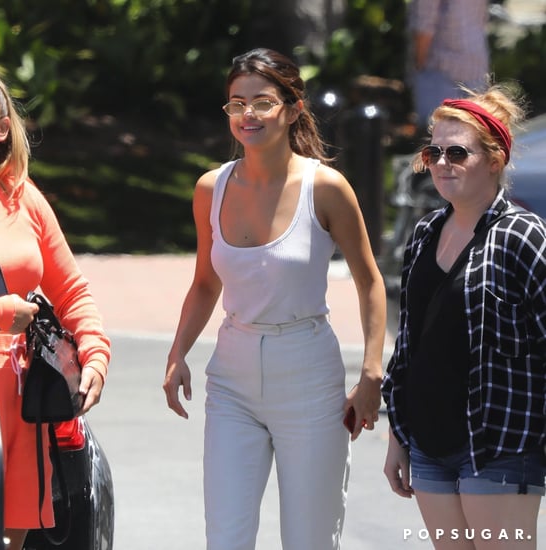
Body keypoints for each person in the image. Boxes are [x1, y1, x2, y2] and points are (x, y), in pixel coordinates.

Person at [163, 48, 387, 550]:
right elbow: (205, 283)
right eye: (236, 103)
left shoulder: (325, 187)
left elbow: (370, 281)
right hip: (232, 376)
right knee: (225, 537)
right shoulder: (210, 188)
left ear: (292, 108)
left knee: (309, 538)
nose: (248, 115)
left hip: (308, 373)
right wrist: (178, 354)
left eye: (262, 102)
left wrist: (372, 371)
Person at [382, 82, 546, 550]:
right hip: (430, 445)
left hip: (499, 444)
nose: (441, 164)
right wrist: (399, 436)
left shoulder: (523, 236)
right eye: (433, 152)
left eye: (458, 153)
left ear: (494, 160)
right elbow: (410, 342)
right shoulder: (425, 231)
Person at [0, 75, 111, 550]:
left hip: (19, 396)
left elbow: (72, 291)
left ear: (1, 128)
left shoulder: (23, 197)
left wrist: (96, 352)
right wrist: (3, 311)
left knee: (11, 538)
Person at [407, 0, 489, 133]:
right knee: (475, 139)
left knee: (439, 142)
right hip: (476, 65)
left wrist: (418, 67)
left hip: (440, 73)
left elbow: (424, 27)